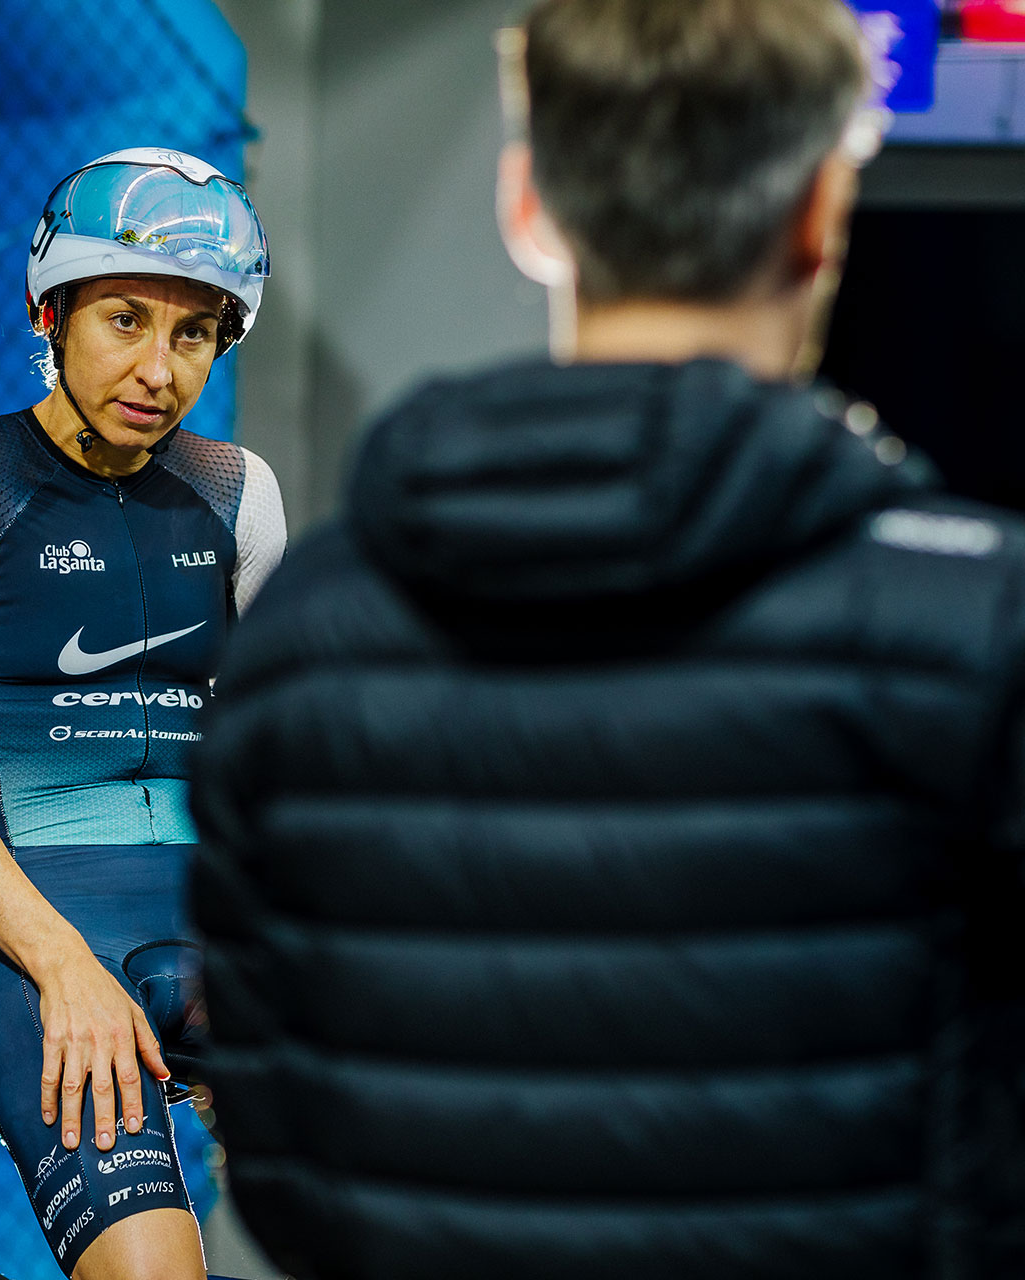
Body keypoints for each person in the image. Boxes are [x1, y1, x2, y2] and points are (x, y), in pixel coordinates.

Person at [191, 1, 1025, 1277]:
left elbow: (269, 1126)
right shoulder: (978, 620)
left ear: (528, 205)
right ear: (820, 212)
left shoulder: (302, 633)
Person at [0, 147, 285, 1280]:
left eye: (193, 334)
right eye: (125, 319)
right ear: (50, 312)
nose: (158, 367)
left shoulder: (240, 491)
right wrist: (65, 967)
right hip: (41, 945)